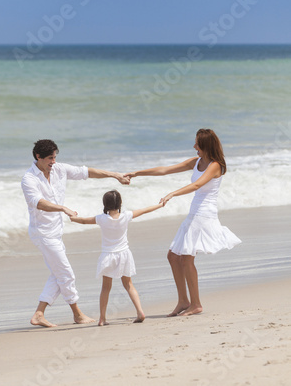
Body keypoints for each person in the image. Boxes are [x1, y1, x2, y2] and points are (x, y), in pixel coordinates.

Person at [125, 128, 241, 317]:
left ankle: (196, 304)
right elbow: (165, 170)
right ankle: (183, 301)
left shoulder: (215, 165)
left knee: (186, 257)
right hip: (194, 213)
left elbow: (197, 185)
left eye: (197, 144)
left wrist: (172, 193)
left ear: (206, 145)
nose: (194, 146)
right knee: (173, 256)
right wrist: (137, 173)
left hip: (204, 215)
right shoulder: (196, 162)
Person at [21, 139, 130, 328]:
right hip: (42, 233)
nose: (53, 162)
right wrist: (62, 208)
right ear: (38, 157)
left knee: (58, 274)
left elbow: (86, 172)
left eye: (55, 157)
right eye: (49, 158)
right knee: (66, 274)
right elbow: (38, 202)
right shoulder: (29, 179)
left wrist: (115, 175)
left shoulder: (59, 169)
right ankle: (77, 314)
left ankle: (39, 313)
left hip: (56, 232)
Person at [70, 189, 164, 326]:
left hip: (108, 256)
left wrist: (72, 218)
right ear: (120, 203)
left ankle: (102, 318)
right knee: (129, 285)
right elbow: (145, 210)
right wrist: (160, 205)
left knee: (106, 288)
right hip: (124, 255)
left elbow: (84, 221)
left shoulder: (101, 219)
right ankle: (140, 311)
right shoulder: (126, 216)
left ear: (105, 204)